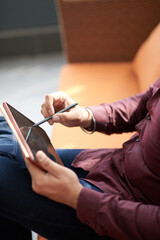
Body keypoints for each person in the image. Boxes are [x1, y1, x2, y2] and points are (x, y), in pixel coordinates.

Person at [0, 78, 160, 240]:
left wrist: (77, 197)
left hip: (119, 211)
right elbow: (147, 101)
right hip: (112, 163)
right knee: (3, 127)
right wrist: (86, 115)